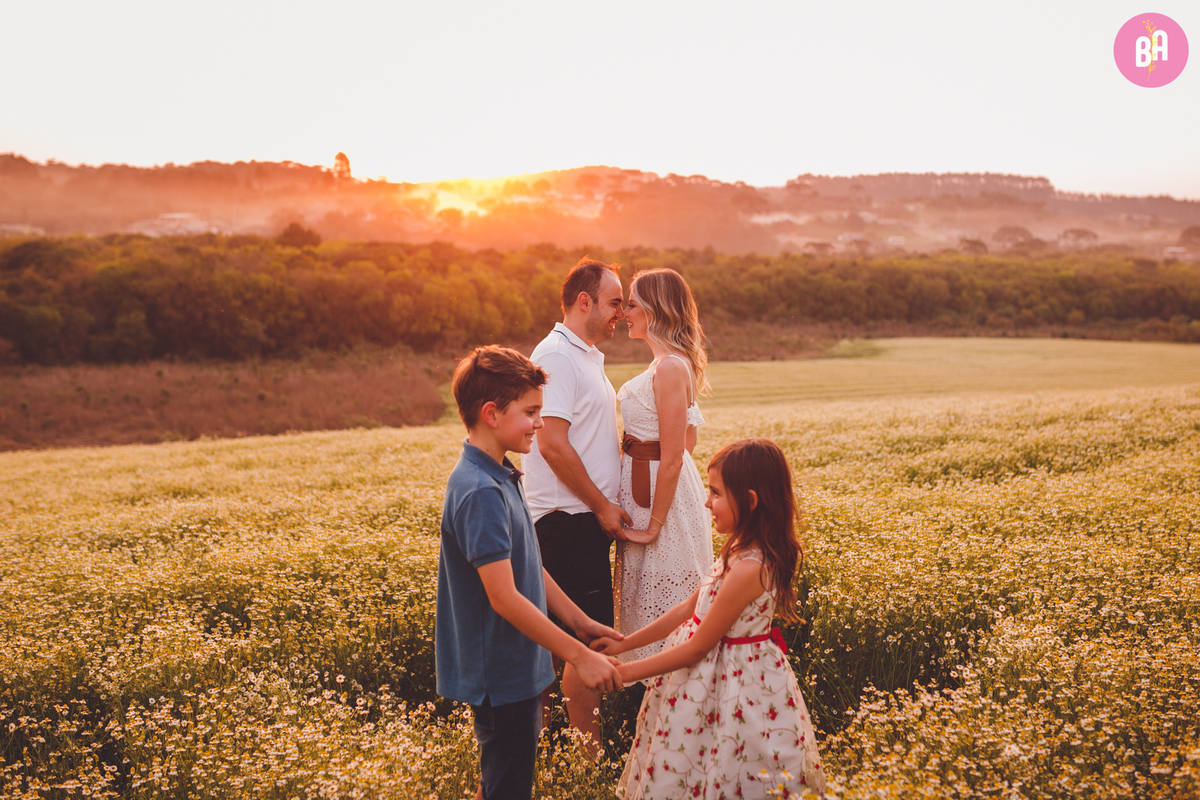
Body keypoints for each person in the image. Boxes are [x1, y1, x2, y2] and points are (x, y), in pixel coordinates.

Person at [436, 345, 624, 800]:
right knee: (507, 788)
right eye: (531, 411)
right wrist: (578, 657)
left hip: (517, 664)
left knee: (502, 782)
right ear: (491, 414)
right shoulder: (480, 490)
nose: (541, 423)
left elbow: (529, 568)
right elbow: (503, 597)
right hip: (500, 672)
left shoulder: (501, 473)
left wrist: (581, 625)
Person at [593, 438, 825, 799]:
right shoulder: (738, 549)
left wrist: (624, 673)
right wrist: (625, 643)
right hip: (707, 679)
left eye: (715, 493)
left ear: (750, 501)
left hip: (734, 685)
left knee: (728, 767)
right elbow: (690, 608)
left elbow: (698, 647)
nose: (706, 501)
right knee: (693, 763)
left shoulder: (751, 567)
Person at [522, 257, 629, 751]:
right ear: (583, 301)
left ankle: (552, 753)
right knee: (582, 646)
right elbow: (553, 445)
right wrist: (604, 506)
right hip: (567, 521)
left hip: (579, 521)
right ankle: (589, 760)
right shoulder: (559, 356)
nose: (621, 313)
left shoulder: (582, 353)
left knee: (566, 642)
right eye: (614, 303)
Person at [613, 268, 714, 663]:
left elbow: (675, 454)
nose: (625, 313)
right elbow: (690, 440)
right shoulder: (667, 365)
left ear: (655, 310)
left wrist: (653, 525)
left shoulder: (670, 367)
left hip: (661, 504)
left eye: (633, 304)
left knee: (666, 595)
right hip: (652, 493)